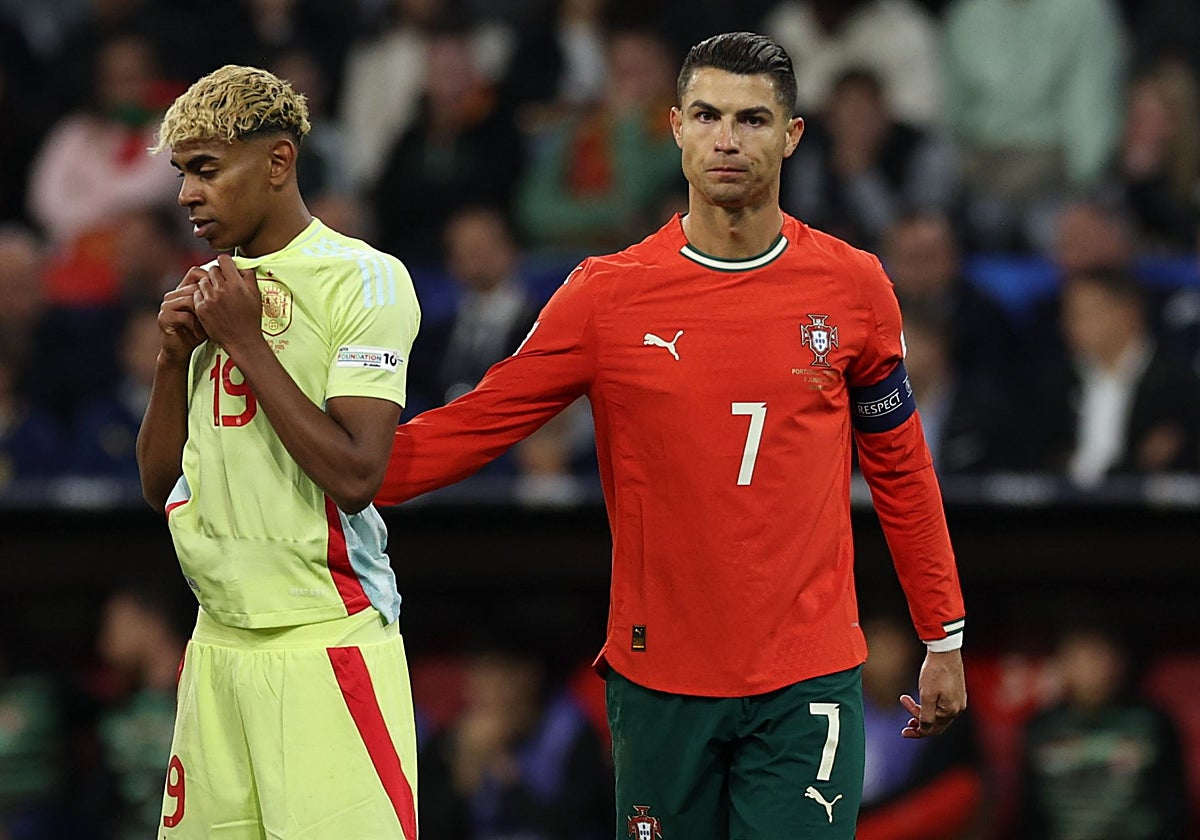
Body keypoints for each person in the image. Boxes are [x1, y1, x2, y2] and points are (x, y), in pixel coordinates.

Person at [376, 32, 967, 838]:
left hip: (809, 679)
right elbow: (475, 426)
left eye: (754, 119)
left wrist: (943, 634)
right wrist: (343, 471)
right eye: (708, 115)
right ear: (675, 128)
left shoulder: (854, 286)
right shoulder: (606, 296)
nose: (728, 139)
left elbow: (901, 470)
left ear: (792, 136)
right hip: (661, 683)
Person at [136, 65, 422, 837]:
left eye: (207, 169)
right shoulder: (210, 287)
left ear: (277, 161)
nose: (189, 193)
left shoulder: (365, 279)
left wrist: (241, 340)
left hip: (325, 638)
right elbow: (158, 484)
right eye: (182, 173)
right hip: (218, 639)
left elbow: (358, 474)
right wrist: (170, 364)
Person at [1017, 615, 1190, 840]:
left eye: (1102, 658)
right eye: (1082, 658)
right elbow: (1028, 811)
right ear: (1062, 664)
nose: (1094, 670)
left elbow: (1174, 805)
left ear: (1120, 663)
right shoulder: (1040, 727)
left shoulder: (1152, 722)